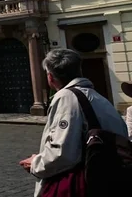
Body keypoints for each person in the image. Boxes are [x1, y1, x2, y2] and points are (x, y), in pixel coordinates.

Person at [19, 49, 127, 196]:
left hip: (82, 185)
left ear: (50, 77)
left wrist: (35, 163)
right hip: (110, 179)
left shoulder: (66, 97)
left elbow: (62, 152)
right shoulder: (100, 98)